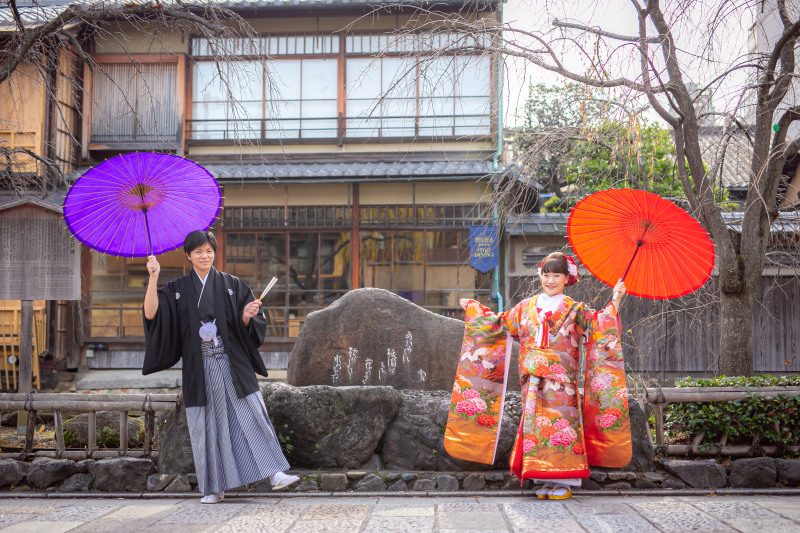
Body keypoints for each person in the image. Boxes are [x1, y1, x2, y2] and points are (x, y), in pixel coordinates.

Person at [444, 252, 631, 500]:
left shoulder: (575, 309)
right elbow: (499, 324)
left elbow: (600, 324)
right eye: (546, 275)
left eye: (556, 275)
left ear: (567, 279)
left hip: (561, 383)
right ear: (540, 276)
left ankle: (565, 480)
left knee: (562, 428)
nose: (550, 280)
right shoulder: (525, 307)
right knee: (537, 429)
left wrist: (617, 296)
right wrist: (476, 312)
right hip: (532, 381)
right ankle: (543, 477)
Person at [142, 230, 299, 503]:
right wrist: (153, 277)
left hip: (232, 363)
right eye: (199, 252)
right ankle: (214, 487)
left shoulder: (231, 284)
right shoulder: (178, 289)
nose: (205, 256)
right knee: (207, 424)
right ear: (189, 256)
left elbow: (248, 322)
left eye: (209, 251)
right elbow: (151, 314)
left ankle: (275, 473)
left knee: (251, 413)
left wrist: (247, 317)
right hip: (199, 368)